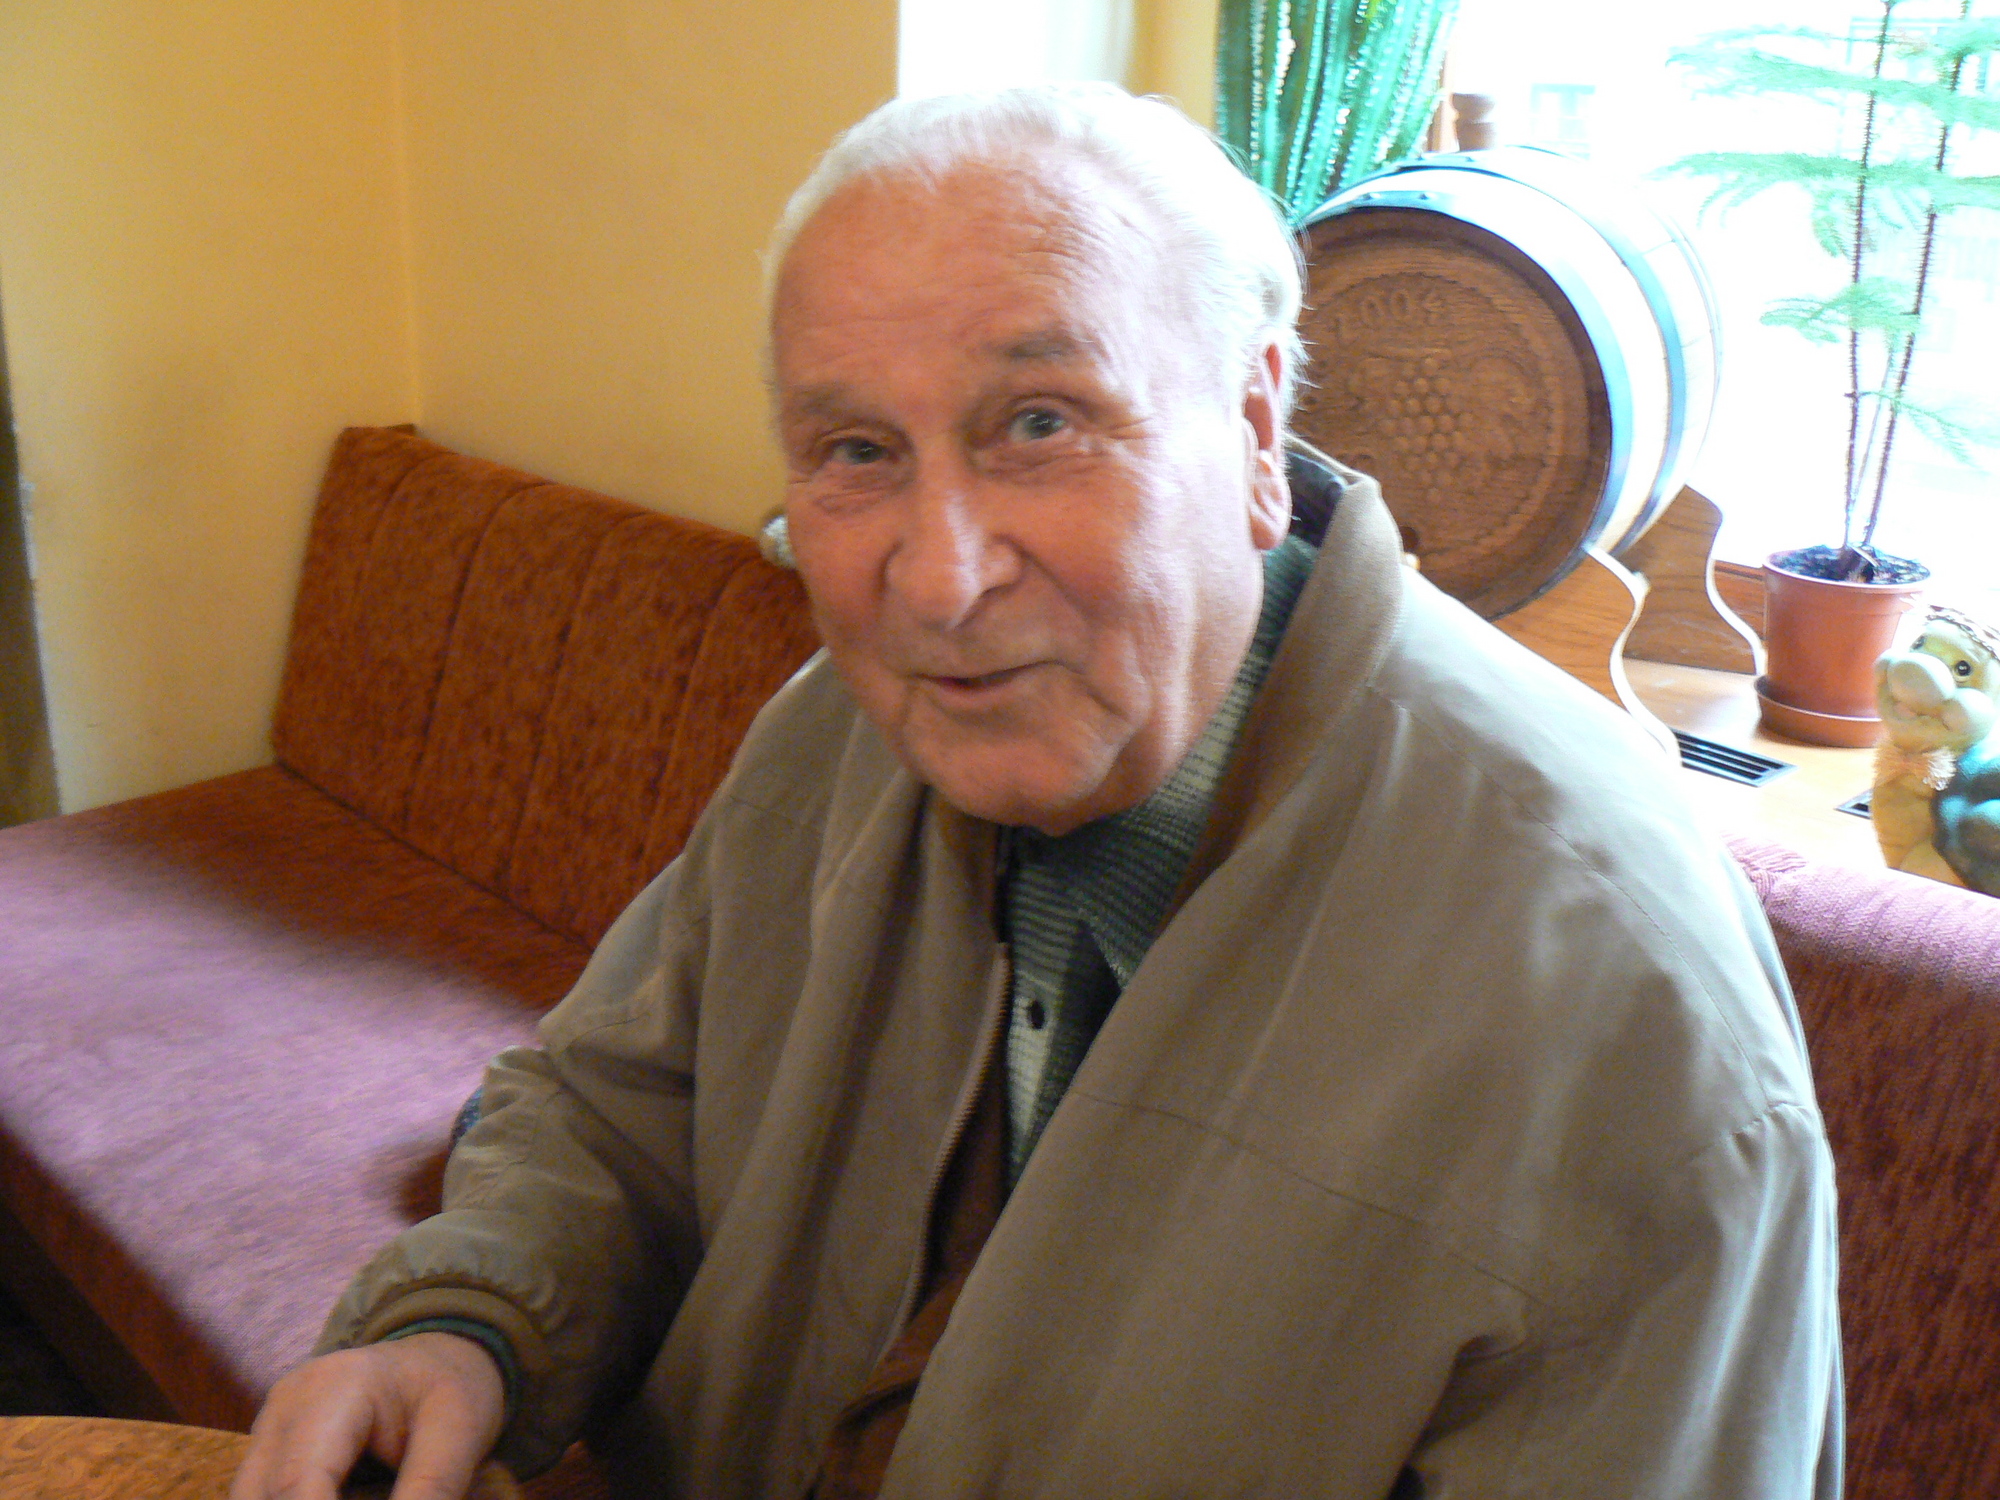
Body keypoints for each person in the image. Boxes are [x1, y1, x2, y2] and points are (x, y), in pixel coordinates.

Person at [231, 84, 1841, 1500]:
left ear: (1255, 429)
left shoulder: (1618, 998)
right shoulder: (848, 729)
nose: (936, 581)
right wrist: (464, 1326)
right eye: (856, 452)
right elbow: (616, 1106)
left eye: (1041, 424)